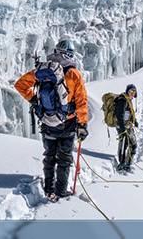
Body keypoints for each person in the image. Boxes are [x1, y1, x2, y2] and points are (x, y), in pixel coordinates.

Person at [14, 38, 89, 200]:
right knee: (64, 157)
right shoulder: (74, 73)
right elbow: (82, 101)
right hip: (67, 121)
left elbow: (20, 85)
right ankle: (61, 191)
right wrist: (82, 124)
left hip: (47, 120)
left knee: (49, 155)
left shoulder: (42, 69)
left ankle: (48, 189)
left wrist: (34, 100)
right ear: (70, 53)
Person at [115, 84, 137, 172]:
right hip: (123, 125)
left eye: (134, 92)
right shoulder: (122, 100)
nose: (132, 93)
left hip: (126, 125)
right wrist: (122, 128)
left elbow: (129, 113)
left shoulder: (128, 100)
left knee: (125, 143)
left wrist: (135, 122)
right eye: (131, 91)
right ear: (127, 91)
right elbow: (119, 115)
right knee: (130, 144)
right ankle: (124, 164)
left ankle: (124, 163)